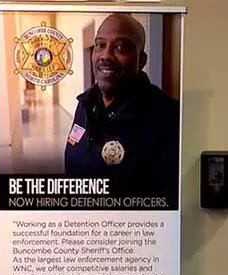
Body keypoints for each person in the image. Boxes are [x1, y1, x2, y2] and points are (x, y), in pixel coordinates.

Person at [64, 14, 179, 195]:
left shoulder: (167, 116)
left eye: (121, 48)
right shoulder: (85, 104)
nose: (105, 56)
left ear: (141, 60)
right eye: (100, 45)